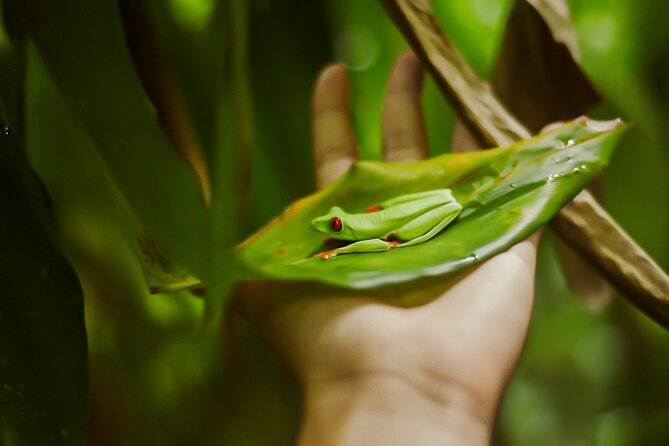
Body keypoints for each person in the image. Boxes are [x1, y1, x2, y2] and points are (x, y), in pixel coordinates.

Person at [236, 52, 540, 445]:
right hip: (405, 212)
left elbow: (379, 240)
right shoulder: (351, 230)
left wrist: (349, 248)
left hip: (409, 223)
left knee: (393, 228)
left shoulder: (357, 239)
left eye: (333, 227)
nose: (328, 231)